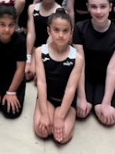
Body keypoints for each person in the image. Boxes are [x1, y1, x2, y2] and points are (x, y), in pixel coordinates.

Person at [74, 0, 115, 126]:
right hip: (85, 75)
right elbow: (80, 64)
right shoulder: (79, 28)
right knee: (81, 111)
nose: (98, 11)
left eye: (103, 6)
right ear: (87, 7)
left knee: (107, 117)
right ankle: (89, 98)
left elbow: (113, 68)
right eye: (93, 7)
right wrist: (81, 97)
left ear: (110, 7)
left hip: (106, 77)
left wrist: (106, 103)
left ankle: (99, 101)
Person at [34, 10, 83, 144]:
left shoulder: (77, 58)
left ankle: (61, 114)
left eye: (65, 31)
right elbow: (41, 82)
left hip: (66, 101)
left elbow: (71, 88)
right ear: (49, 31)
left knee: (61, 138)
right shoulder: (40, 52)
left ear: (71, 33)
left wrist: (60, 116)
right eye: (56, 30)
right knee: (42, 131)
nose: (61, 35)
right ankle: (48, 111)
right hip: (48, 98)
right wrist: (45, 113)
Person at [25, 0, 61, 81]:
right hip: (35, 48)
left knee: (38, 78)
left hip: (51, 50)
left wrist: (41, 63)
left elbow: (52, 40)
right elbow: (31, 34)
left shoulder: (60, 12)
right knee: (26, 74)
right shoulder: (32, 8)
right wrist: (28, 60)